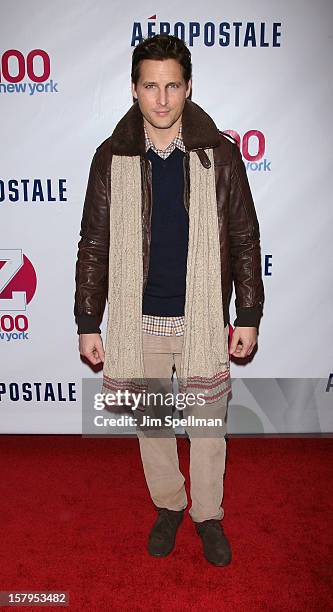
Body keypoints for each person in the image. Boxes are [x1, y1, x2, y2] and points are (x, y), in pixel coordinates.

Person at [74, 34, 264, 567]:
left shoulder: (220, 155)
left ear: (187, 88)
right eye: (150, 86)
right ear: (134, 89)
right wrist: (90, 319)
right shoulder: (110, 158)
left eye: (172, 85)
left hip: (201, 319)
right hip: (139, 322)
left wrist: (247, 313)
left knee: (208, 430)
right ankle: (169, 506)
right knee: (153, 427)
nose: (161, 99)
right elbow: (94, 243)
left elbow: (245, 237)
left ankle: (207, 515)